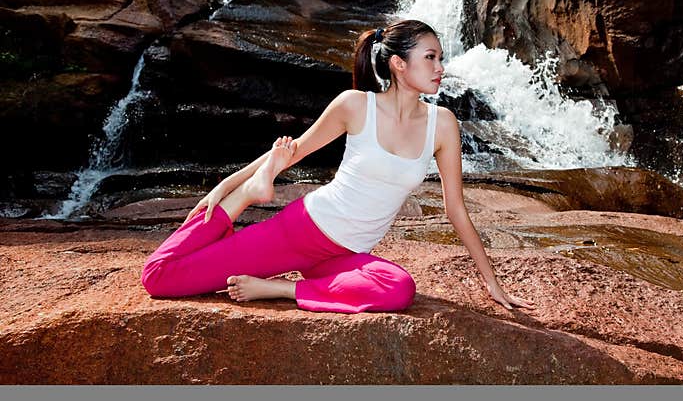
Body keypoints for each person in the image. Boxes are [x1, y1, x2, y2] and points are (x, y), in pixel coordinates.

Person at [141, 19, 534, 313]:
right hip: (301, 231)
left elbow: (455, 210)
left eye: (440, 58)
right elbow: (292, 150)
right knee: (159, 278)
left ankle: (278, 289)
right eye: (429, 57)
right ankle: (245, 198)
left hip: (343, 256)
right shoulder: (355, 105)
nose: (439, 67)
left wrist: (492, 282)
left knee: (399, 289)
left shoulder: (442, 124)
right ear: (398, 64)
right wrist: (226, 186)